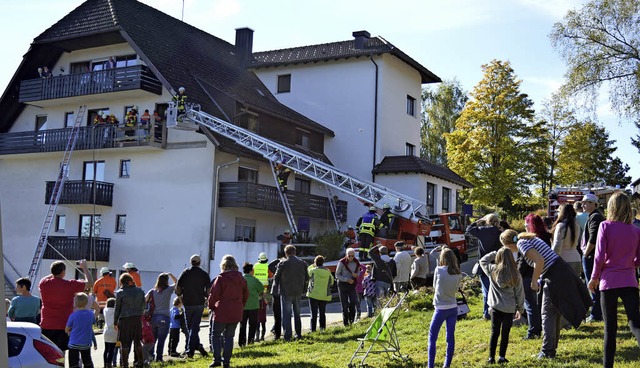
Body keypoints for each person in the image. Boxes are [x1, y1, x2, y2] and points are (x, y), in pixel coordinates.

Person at [500, 229, 591, 360]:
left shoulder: (521, 243)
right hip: (560, 271)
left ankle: (547, 351)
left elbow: (539, 260)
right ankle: (551, 349)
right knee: (554, 313)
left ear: (508, 244)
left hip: (554, 275)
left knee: (547, 314)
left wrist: (533, 282)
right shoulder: (528, 239)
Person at [587, 192, 640, 368]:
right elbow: (639, 260)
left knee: (610, 328)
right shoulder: (636, 230)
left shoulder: (606, 226)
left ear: (611, 207)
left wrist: (594, 278)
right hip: (630, 281)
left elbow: (599, 256)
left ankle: (607, 365)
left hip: (608, 281)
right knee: (635, 322)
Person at [480, 247, 525, 364]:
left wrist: (494, 253)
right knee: (505, 333)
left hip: (495, 306)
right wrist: (520, 308)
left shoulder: (493, 270)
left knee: (494, 332)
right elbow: (519, 293)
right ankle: (502, 357)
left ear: (498, 258)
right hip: (509, 308)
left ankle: (491, 357)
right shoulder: (516, 274)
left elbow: (482, 261)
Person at [39, 260, 91, 352]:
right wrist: (85, 268)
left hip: (46, 325)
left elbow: (43, 279)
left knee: (47, 353)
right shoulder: (70, 284)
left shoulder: (43, 284)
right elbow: (90, 283)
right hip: (64, 325)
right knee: (61, 354)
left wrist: (52, 274)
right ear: (63, 272)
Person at [208, 255, 248, 368]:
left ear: (223, 265)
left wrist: (211, 307)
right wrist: (241, 305)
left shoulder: (220, 278)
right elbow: (246, 294)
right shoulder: (241, 278)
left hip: (221, 311)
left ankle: (217, 359)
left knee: (216, 335)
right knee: (229, 337)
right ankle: (226, 362)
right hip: (236, 311)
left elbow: (213, 295)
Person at [427, 248, 462, 368]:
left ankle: (430, 365)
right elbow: (456, 289)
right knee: (450, 338)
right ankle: (446, 365)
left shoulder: (439, 270)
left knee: (432, 337)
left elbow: (434, 286)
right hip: (453, 307)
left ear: (442, 258)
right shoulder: (458, 273)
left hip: (440, 308)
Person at [466, 214, 502, 319]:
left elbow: (469, 229)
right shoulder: (499, 233)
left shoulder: (481, 230)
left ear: (487, 221)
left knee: (486, 289)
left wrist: (478, 221)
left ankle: (487, 313)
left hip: (484, 263)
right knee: (496, 289)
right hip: (496, 264)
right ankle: (496, 310)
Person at [176, 254, 210, 358]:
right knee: (194, 328)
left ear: (191, 262)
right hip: (199, 303)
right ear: (200, 263)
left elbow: (178, 287)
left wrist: (180, 298)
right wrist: (206, 299)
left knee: (191, 327)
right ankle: (199, 348)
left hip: (188, 304)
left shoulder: (185, 273)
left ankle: (190, 351)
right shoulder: (204, 274)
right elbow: (208, 290)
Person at [273, 244, 309, 341]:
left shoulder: (282, 263)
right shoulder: (302, 263)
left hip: (286, 291)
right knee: (297, 314)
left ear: (286, 253)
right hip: (298, 291)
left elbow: (276, 277)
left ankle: (287, 336)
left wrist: (276, 288)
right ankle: (298, 334)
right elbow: (307, 277)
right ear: (295, 252)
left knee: (286, 315)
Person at [581, 193, 605, 322]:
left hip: (591, 256)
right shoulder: (593, 216)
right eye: (582, 203)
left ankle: (596, 314)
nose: (583, 205)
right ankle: (597, 312)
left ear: (594, 204)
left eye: (586, 202)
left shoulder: (595, 217)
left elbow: (594, 238)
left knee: (593, 285)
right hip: (591, 255)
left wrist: (585, 253)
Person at [114, 273, 145, 368]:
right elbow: (143, 306)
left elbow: (117, 309)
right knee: (137, 341)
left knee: (124, 344)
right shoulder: (140, 291)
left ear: (122, 283)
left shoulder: (120, 293)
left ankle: (125, 364)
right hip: (137, 319)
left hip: (124, 320)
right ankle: (140, 362)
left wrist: (115, 322)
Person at [147, 272, 177, 362]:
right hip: (164, 317)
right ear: (166, 281)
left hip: (154, 318)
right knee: (161, 340)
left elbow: (144, 300)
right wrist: (171, 275)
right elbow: (177, 283)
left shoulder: (153, 291)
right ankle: (159, 358)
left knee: (153, 339)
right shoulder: (168, 290)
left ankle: (150, 357)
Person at [66, 293, 95, 368]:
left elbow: (67, 329)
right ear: (86, 302)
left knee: (73, 363)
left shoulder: (73, 315)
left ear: (75, 302)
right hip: (86, 342)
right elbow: (93, 323)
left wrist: (69, 331)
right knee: (87, 361)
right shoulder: (91, 314)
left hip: (74, 342)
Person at [551, 204, 581, 275]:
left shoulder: (561, 226)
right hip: (577, 258)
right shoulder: (576, 226)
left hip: (564, 259)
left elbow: (557, 246)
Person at [239, 262, 264, 347]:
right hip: (253, 305)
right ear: (251, 270)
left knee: (242, 325)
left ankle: (241, 342)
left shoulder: (240, 279)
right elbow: (261, 289)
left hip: (242, 306)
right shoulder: (254, 280)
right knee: (252, 325)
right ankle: (250, 341)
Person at [306, 255, 334, 331]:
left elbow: (308, 270)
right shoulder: (327, 272)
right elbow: (331, 282)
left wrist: (313, 265)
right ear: (323, 263)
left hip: (313, 294)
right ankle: (322, 328)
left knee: (313, 314)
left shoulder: (312, 271)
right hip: (324, 295)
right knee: (322, 313)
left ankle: (313, 329)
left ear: (315, 262)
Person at [336, 248, 360, 326]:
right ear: (346, 255)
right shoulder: (341, 262)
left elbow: (359, 271)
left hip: (352, 284)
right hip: (343, 284)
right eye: (349, 256)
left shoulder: (356, 262)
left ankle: (352, 320)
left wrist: (357, 275)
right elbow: (337, 275)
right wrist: (346, 279)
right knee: (344, 305)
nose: (350, 258)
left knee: (353, 301)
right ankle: (346, 323)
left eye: (352, 256)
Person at [268, 256, 283, 339]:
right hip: (284, 293)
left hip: (276, 293)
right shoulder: (287, 270)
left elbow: (270, 265)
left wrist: (278, 260)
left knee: (277, 313)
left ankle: (276, 332)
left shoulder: (277, 270)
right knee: (283, 313)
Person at [103, 297, 117, 368]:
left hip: (106, 330)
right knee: (111, 349)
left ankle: (105, 364)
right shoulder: (115, 311)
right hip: (114, 331)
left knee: (106, 349)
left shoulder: (105, 310)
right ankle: (109, 363)